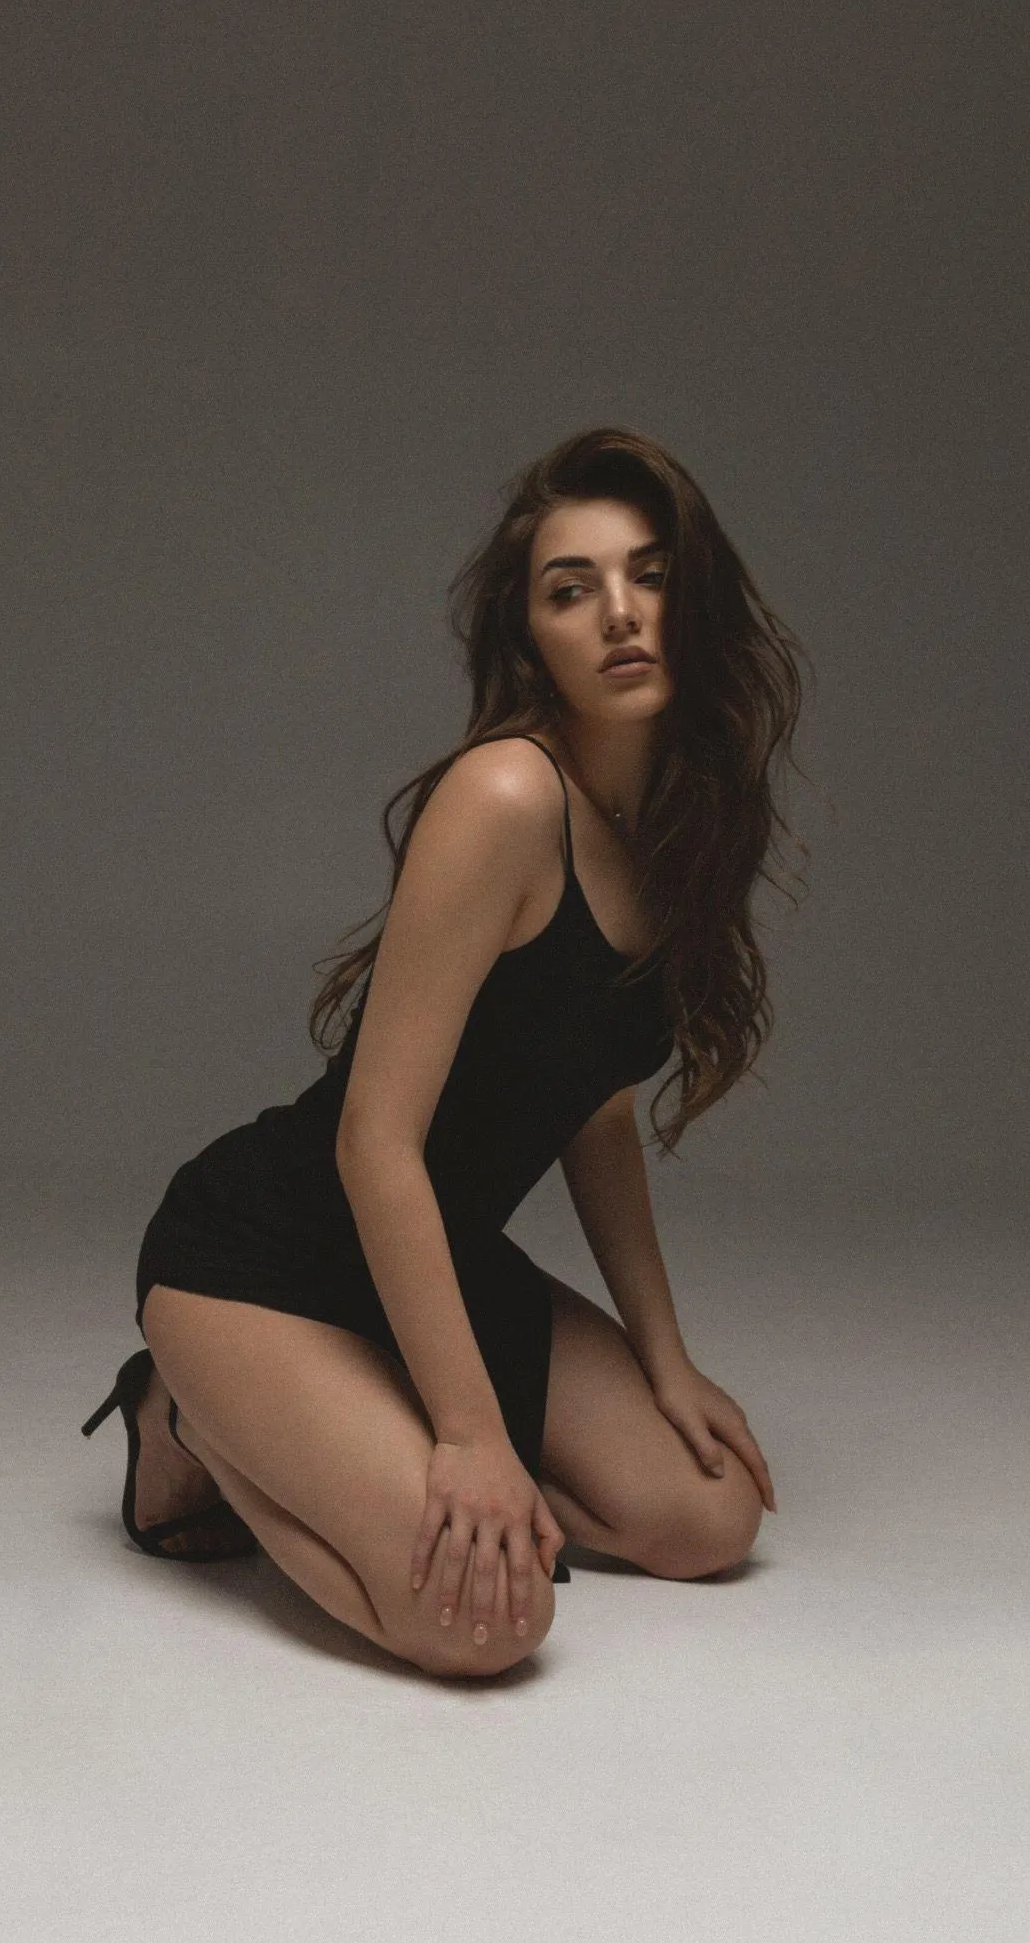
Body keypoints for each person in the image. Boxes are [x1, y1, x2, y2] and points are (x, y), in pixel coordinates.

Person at [82, 426, 809, 1678]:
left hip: (430, 1266)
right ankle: (187, 1412)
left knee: (709, 1519)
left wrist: (665, 1356)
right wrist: (468, 1435)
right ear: (531, 637)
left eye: (648, 575)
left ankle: (373, 1430)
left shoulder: (671, 831)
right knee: (490, 1622)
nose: (619, 613)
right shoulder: (507, 796)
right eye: (570, 589)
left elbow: (596, 1110)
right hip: (263, 1256)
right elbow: (375, 1139)